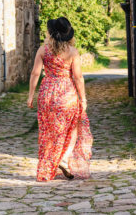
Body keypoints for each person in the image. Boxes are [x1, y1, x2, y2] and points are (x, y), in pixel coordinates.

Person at [26, 17, 93, 181]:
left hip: (47, 93)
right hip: (67, 94)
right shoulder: (72, 52)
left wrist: (30, 95)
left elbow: (35, 73)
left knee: (48, 131)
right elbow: (78, 77)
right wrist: (83, 98)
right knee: (72, 128)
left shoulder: (43, 50)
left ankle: (48, 166)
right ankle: (62, 158)